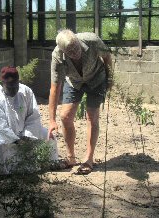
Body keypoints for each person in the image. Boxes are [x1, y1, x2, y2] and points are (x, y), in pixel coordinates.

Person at [48, 29, 112, 175]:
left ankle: (88, 159)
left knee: (92, 117)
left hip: (96, 78)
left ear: (77, 40)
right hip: (74, 82)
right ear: (63, 51)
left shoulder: (92, 41)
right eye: (70, 51)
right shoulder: (57, 55)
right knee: (65, 117)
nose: (75, 52)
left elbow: (107, 56)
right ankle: (70, 158)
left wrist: (110, 79)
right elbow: (55, 87)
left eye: (76, 47)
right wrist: (52, 120)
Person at [0, 66, 58, 175]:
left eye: (15, 87)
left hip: (24, 134)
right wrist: (15, 140)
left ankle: (50, 163)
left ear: (19, 82)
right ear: (1, 84)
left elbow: (33, 116)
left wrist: (26, 135)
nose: (13, 90)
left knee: (48, 136)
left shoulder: (26, 91)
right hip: (1, 134)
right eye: (9, 88)